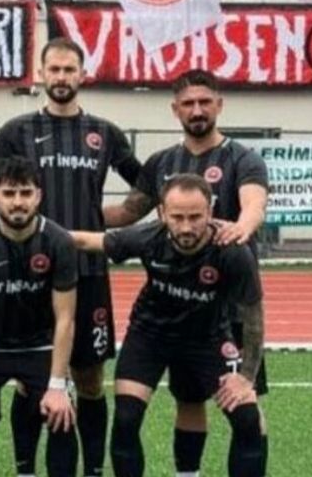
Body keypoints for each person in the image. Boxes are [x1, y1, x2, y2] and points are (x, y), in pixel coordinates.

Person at [0, 38, 142, 477]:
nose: (61, 77)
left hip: (88, 272)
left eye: (69, 69)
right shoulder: (16, 131)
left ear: (82, 75)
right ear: (41, 74)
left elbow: (147, 184)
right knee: (28, 380)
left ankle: (92, 471)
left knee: (89, 380)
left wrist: (112, 219)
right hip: (27, 276)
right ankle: (25, 469)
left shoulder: (104, 132)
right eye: (53, 69)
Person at [103, 69, 270, 475]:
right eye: (189, 104)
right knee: (189, 400)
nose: (197, 110)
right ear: (175, 109)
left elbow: (254, 206)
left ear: (219, 105)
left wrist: (242, 227)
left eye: (204, 102)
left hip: (227, 309)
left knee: (246, 406)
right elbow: (127, 213)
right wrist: (65, 214)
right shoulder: (162, 162)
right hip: (175, 310)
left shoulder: (242, 159)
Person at [71, 175, 266, 477]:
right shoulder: (148, 237)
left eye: (195, 217)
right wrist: (35, 230)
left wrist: (246, 377)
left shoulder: (232, 251)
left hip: (207, 339)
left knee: (247, 420)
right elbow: (87, 241)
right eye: (177, 217)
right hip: (149, 336)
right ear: (162, 213)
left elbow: (253, 317)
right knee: (126, 418)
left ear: (210, 212)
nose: (186, 227)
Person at [0, 157, 79, 477]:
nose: (18, 202)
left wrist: (57, 385)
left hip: (39, 346)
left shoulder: (59, 241)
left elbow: (65, 318)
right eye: (9, 193)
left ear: (39, 196)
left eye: (25, 192)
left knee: (62, 415)